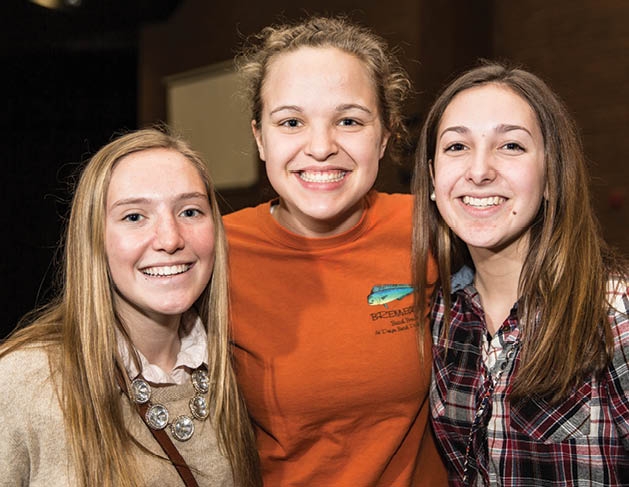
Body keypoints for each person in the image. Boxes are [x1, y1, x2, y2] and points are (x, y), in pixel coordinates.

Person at [224, 16, 447, 486]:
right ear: (261, 138)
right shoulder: (214, 253)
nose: (321, 147)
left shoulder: (431, 228)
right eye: (291, 122)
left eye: (349, 121)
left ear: (384, 136)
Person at [0, 128, 261, 487]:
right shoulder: (22, 380)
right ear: (94, 239)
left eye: (189, 211)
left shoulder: (236, 369)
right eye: (135, 217)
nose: (170, 239)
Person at [412, 61, 629, 486]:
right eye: (457, 147)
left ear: (551, 177)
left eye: (510, 146)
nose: (479, 171)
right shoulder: (440, 320)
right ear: (434, 178)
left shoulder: (614, 319)